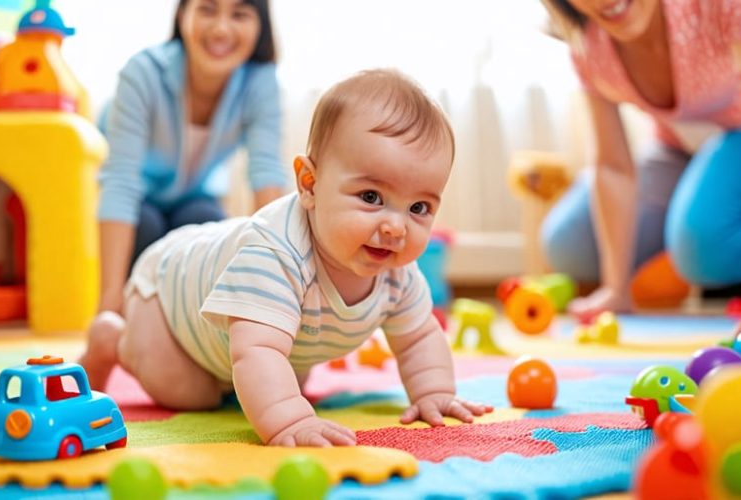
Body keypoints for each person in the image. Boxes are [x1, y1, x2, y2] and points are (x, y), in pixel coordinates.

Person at [79, 69, 493, 447]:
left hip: (249, 338)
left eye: (418, 208)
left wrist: (434, 392)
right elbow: (256, 349)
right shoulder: (276, 253)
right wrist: (289, 421)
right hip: (170, 301)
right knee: (190, 393)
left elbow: (418, 336)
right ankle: (112, 338)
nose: (396, 227)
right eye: (371, 197)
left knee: (283, 374)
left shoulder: (396, 271)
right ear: (309, 184)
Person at [538, 0, 741, 339]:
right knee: (568, 243)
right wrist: (615, 288)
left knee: (698, 246)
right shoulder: (588, 40)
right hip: (678, 149)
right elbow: (612, 165)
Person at [92, 0, 286, 331]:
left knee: (208, 227)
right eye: (207, 9)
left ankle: (194, 335)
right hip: (139, 203)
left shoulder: (261, 82)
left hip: (196, 198)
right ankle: (138, 323)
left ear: (260, 27)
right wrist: (109, 303)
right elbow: (121, 182)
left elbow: (266, 172)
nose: (221, 28)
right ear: (183, 15)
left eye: (239, 14)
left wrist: (279, 284)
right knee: (147, 225)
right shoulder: (142, 73)